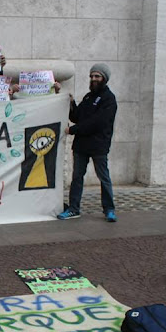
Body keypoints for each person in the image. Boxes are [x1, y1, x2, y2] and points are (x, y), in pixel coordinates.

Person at [57, 63, 118, 222]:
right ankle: (73, 208)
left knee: (103, 177)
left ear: (104, 78)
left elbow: (97, 122)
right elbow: (77, 117)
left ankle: (109, 209)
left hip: (99, 145)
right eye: (92, 76)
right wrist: (71, 103)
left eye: (97, 76)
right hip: (81, 145)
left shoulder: (109, 99)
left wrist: (73, 130)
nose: (93, 79)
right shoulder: (88, 97)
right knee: (77, 177)